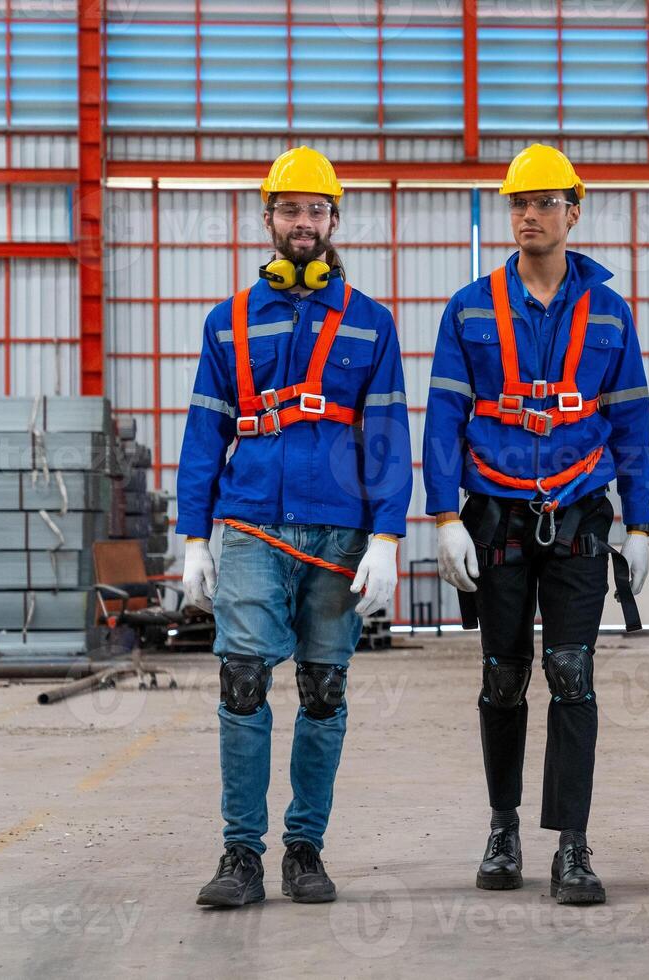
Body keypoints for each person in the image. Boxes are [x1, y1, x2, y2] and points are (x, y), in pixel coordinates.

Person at [178, 146, 411, 907]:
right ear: (268, 218)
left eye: (315, 210)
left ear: (334, 219)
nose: (302, 222)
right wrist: (191, 536)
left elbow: (385, 439)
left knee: (322, 689)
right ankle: (239, 855)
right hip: (251, 528)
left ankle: (304, 850)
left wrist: (387, 537)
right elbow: (204, 432)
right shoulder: (230, 322)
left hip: (340, 534)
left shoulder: (370, 324)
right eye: (289, 209)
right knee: (243, 682)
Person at [423, 144, 649, 906]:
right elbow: (443, 417)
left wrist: (642, 525)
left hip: (580, 511)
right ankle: (502, 827)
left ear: (573, 211)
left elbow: (631, 425)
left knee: (572, 674)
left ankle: (573, 846)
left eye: (545, 202)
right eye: (518, 203)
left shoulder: (610, 312)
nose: (528, 214)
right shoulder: (468, 308)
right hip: (494, 513)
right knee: (503, 677)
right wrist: (445, 513)